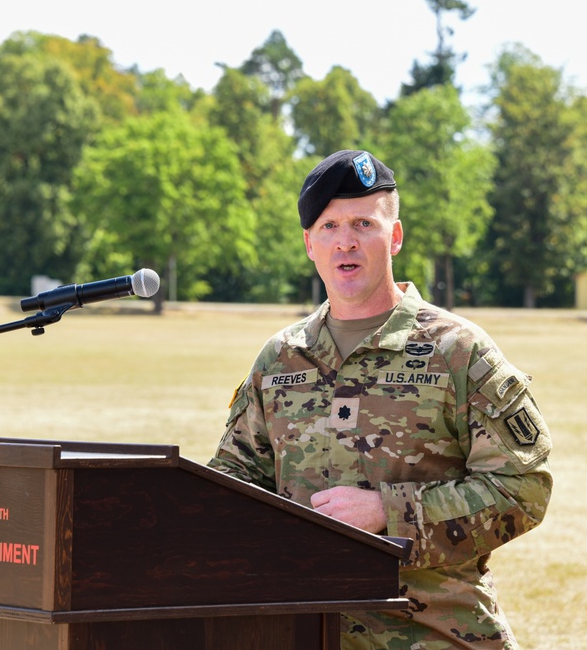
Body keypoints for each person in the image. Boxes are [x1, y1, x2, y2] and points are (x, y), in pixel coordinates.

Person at [208, 150, 553, 650]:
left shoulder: (456, 351)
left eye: (363, 223)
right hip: (303, 631)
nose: (345, 240)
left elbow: (524, 488)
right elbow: (231, 485)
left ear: (394, 237)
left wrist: (389, 514)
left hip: (432, 636)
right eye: (329, 227)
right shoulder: (281, 359)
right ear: (309, 244)